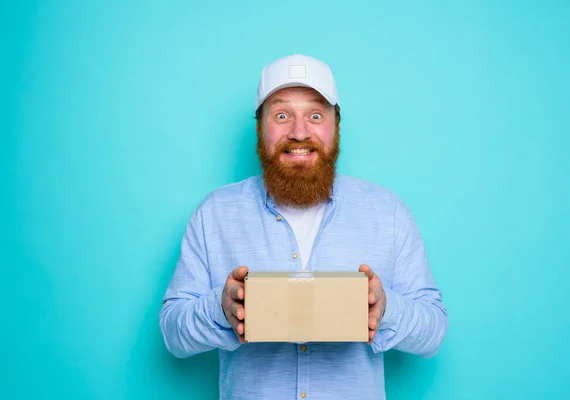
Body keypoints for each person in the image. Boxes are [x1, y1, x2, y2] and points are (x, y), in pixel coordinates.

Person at [159, 54, 448, 399]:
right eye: (282, 115)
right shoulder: (214, 214)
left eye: (315, 115)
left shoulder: (389, 213)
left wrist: (386, 310)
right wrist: (220, 309)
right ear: (259, 128)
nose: (299, 132)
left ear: (335, 126)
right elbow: (173, 335)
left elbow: (434, 332)